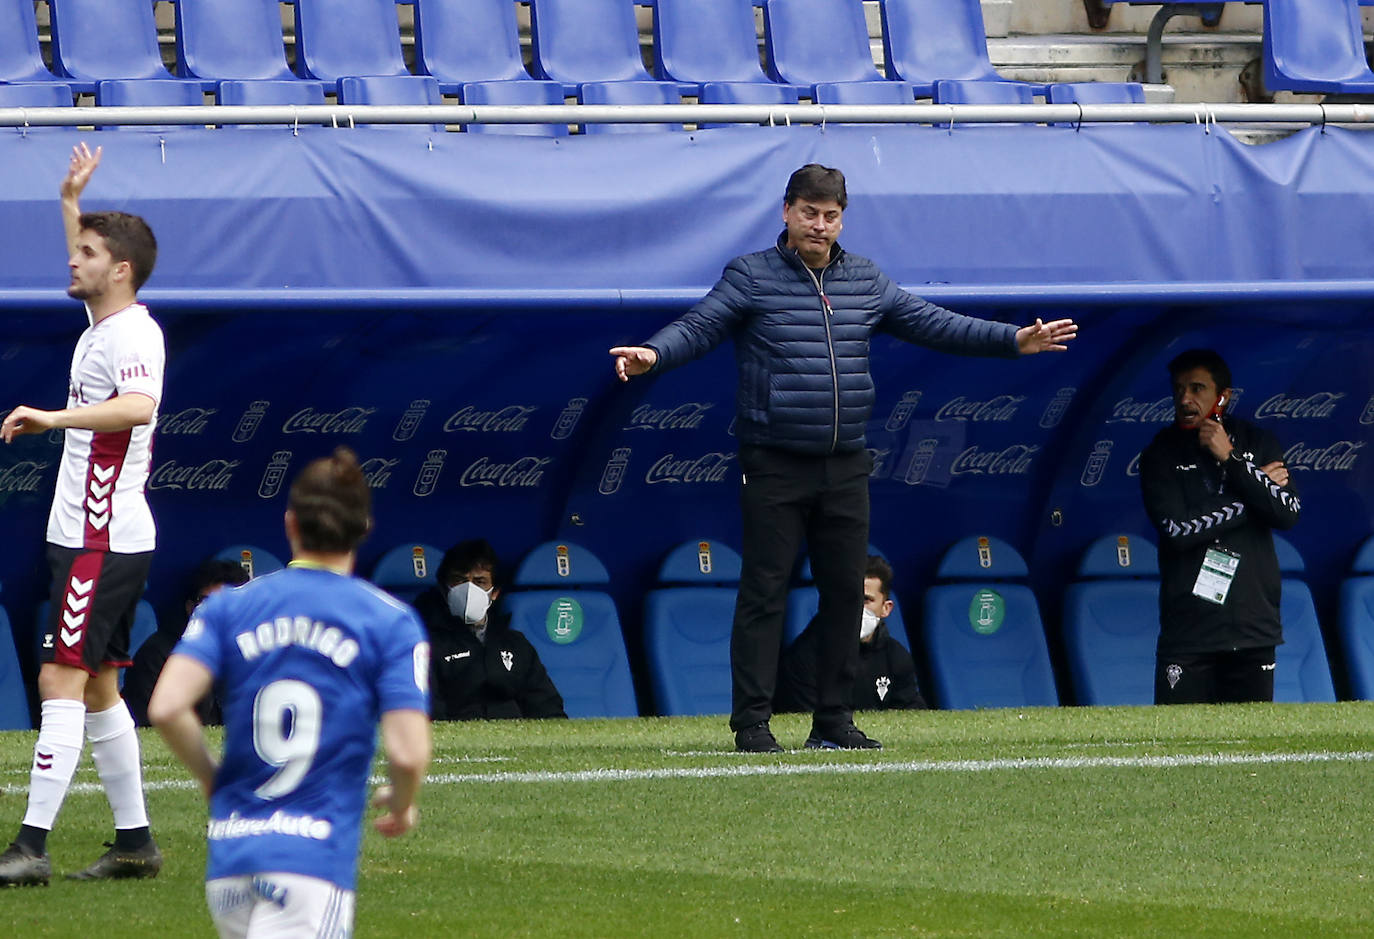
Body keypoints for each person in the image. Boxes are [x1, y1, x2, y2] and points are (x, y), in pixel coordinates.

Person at [610, 164, 1076, 752]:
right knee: (765, 593)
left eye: (831, 216)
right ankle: (752, 724)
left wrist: (1011, 341)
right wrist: (653, 353)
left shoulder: (864, 279)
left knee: (844, 594)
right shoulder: (751, 275)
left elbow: (934, 323)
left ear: (842, 218)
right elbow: (699, 327)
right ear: (786, 212)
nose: (820, 226)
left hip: (846, 462)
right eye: (809, 213)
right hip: (774, 460)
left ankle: (833, 721)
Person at [148, 447, 431, 937]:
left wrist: (213, 780)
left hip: (232, 856)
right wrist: (404, 804)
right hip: (311, 863)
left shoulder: (227, 608)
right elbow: (407, 754)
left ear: (290, 524)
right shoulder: (389, 620)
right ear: (365, 528)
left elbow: (168, 706)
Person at [0, 143, 165, 885]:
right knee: (98, 686)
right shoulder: (105, 322)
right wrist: (71, 200)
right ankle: (136, 843)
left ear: (120, 269)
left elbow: (138, 407)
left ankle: (30, 847)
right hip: (89, 536)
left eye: (87, 253)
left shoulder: (134, 334)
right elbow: (88, 254)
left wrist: (52, 417)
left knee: (60, 679)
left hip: (100, 538)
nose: (73, 260)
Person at [1140, 348, 1301, 705]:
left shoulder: (1258, 442)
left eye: (1197, 389)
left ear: (1222, 397)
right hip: (1190, 630)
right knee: (1177, 748)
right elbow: (1178, 531)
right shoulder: (1160, 454)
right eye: (1179, 389)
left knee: (1252, 748)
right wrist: (1254, 493)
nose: (1185, 399)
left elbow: (1288, 512)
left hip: (1253, 626)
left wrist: (1231, 459)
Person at [415, 538, 567, 721]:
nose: (469, 589)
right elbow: (428, 715)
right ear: (444, 589)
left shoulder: (516, 644)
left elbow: (547, 707)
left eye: (480, 582)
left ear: (494, 593)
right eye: (459, 581)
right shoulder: (425, 645)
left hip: (517, 741)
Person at [776, 556, 927, 714]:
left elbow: (914, 718)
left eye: (867, 600)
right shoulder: (803, 657)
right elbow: (804, 726)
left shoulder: (896, 656)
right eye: (850, 598)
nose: (857, 608)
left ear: (886, 608)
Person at [123, 559, 249, 728]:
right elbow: (149, 728)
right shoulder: (157, 655)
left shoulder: (256, 651)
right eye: (209, 603)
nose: (220, 612)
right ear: (191, 607)